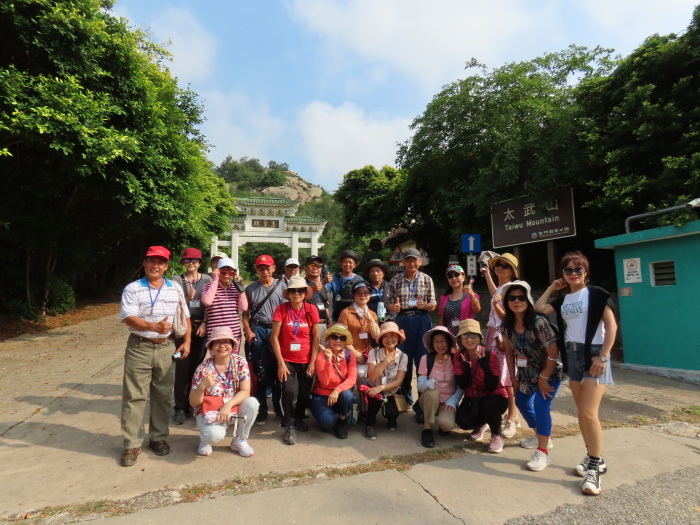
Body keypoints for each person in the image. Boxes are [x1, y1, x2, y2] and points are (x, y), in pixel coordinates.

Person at [535, 251, 617, 496]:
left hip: (594, 353)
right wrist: (552, 286)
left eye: (578, 269)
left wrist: (603, 355)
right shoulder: (562, 301)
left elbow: (611, 325)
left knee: (588, 412)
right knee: (582, 413)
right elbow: (539, 307)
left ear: (586, 272)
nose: (573, 273)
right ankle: (595, 457)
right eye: (568, 270)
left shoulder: (597, 294)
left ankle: (594, 467)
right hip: (571, 354)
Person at [119, 246, 191, 467]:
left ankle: (158, 438)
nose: (155, 265)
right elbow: (128, 317)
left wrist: (187, 341)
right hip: (139, 346)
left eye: (161, 262)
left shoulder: (175, 288)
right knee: (134, 396)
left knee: (162, 396)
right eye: (151, 260)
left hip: (166, 347)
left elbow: (184, 315)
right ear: (145, 262)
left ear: (167, 266)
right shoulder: (133, 288)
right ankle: (132, 443)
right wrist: (153, 326)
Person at [500, 280, 564, 472]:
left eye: (521, 297)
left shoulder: (539, 322)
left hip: (549, 373)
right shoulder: (507, 325)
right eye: (512, 298)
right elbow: (509, 353)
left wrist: (544, 379)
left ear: (528, 300)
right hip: (526, 374)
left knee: (542, 405)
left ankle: (543, 452)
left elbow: (553, 352)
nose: (516, 301)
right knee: (521, 401)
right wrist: (513, 378)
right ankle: (541, 434)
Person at [189, 326, 259, 457]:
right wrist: (202, 386)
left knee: (252, 403)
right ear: (211, 346)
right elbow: (193, 402)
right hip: (209, 412)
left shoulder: (239, 362)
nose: (222, 346)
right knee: (213, 436)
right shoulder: (203, 367)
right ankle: (205, 440)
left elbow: (245, 391)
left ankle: (239, 440)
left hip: (231, 408)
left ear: (232, 345)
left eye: (226, 342)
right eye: (217, 342)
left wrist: (227, 405)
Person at [270, 275, 320, 445]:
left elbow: (316, 338)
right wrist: (281, 363)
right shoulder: (282, 309)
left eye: (300, 290)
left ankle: (298, 417)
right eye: (293, 290)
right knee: (289, 391)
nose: (297, 293)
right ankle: (289, 425)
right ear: (288, 293)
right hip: (287, 360)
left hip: (306, 360)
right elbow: (274, 338)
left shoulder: (311, 309)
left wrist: (313, 362)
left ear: (305, 293)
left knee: (305, 394)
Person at [387, 248, 436, 421]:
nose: (411, 263)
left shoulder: (427, 279)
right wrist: (393, 308)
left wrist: (425, 306)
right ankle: (405, 399)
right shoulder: (395, 280)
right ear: (403, 262)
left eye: (414, 260)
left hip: (421, 320)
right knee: (404, 362)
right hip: (403, 321)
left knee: (423, 361)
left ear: (420, 262)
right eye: (408, 260)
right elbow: (389, 303)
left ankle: (421, 403)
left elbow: (433, 305)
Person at [241, 254, 286, 425]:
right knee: (258, 371)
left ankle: (279, 407)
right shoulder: (251, 289)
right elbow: (245, 315)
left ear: (274, 268)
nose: (265, 271)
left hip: (277, 330)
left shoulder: (282, 287)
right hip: (258, 329)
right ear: (256, 269)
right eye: (261, 268)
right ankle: (261, 410)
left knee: (278, 368)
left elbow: (286, 312)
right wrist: (248, 330)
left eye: (267, 267)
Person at [171, 248, 213, 424]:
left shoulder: (207, 280)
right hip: (182, 328)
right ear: (183, 262)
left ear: (200, 262)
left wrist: (204, 323)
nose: (191, 263)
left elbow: (210, 305)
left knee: (197, 368)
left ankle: (192, 404)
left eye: (194, 260)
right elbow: (174, 304)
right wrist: (187, 298)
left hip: (201, 327)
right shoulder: (176, 280)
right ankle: (180, 407)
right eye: (187, 260)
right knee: (182, 368)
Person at [454, 319, 508, 453]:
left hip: (495, 397)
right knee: (463, 422)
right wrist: (467, 368)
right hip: (472, 396)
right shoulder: (459, 356)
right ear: (460, 338)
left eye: (473, 335)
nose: (469, 339)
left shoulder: (490, 355)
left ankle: (496, 434)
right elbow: (462, 384)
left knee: (488, 404)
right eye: (465, 336)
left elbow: (492, 385)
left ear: (480, 337)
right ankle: (482, 423)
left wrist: (484, 365)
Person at [482, 252, 520, 439]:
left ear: (512, 271)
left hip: (503, 335)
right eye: (497, 264)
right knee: (496, 376)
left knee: (507, 378)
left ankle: (512, 417)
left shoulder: (513, 289)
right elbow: (493, 293)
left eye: (504, 266)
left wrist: (497, 307)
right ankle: (502, 415)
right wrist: (487, 274)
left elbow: (509, 317)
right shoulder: (502, 288)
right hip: (493, 333)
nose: (499, 267)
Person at [417, 326, 462, 448]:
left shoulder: (456, 359)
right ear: (432, 344)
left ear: (448, 342)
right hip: (429, 399)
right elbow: (420, 386)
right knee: (433, 392)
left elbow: (462, 385)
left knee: (446, 425)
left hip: (447, 402)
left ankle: (442, 422)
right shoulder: (425, 359)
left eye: (443, 341)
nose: (440, 344)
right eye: (436, 341)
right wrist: (428, 383)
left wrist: (453, 400)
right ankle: (427, 429)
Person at [310, 324, 357, 438]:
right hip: (322, 395)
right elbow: (325, 381)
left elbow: (352, 378)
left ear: (346, 341)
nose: (338, 341)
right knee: (327, 422)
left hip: (339, 394)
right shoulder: (321, 356)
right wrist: (329, 360)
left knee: (348, 395)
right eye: (334, 337)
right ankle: (326, 418)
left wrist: (337, 390)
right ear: (329, 339)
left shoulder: (350, 355)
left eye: (342, 338)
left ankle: (342, 420)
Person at [364, 322, 408, 440]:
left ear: (398, 337)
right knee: (374, 399)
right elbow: (372, 376)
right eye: (386, 336)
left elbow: (398, 381)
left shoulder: (403, 356)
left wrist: (382, 388)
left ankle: (391, 418)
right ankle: (370, 424)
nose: (390, 339)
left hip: (391, 390)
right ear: (381, 339)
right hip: (375, 388)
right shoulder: (373, 352)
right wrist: (386, 361)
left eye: (393, 336)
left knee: (391, 413)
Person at [200, 256, 248, 347]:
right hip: (215, 335)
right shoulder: (208, 286)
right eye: (223, 272)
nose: (227, 275)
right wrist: (215, 279)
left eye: (230, 273)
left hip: (233, 334)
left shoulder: (236, 288)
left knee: (233, 360)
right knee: (217, 361)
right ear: (218, 272)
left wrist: (239, 286)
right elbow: (207, 302)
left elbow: (244, 307)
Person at [439, 264, 481, 336]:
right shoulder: (443, 298)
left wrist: (472, 296)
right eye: (450, 276)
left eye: (456, 275)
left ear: (463, 276)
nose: (454, 278)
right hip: (448, 336)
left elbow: (477, 310)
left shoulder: (472, 296)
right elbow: (442, 318)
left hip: (466, 335)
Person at [327, 250, 363, 323]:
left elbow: (364, 296)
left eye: (350, 262)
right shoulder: (333, 278)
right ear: (340, 263)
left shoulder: (359, 279)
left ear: (354, 265)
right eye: (345, 262)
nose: (347, 264)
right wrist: (324, 282)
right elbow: (323, 291)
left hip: (355, 315)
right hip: (337, 316)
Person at [304, 255, 332, 343]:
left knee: (322, 354)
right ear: (305, 268)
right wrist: (312, 290)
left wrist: (329, 319)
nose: (316, 268)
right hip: (308, 325)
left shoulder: (322, 286)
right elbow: (297, 302)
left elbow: (325, 305)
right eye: (312, 265)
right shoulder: (301, 284)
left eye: (319, 266)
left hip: (323, 325)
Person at [364, 259, 394, 323]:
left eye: (378, 271)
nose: (375, 274)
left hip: (389, 320)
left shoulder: (391, 287)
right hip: (370, 321)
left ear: (383, 273)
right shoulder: (365, 288)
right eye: (372, 271)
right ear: (369, 274)